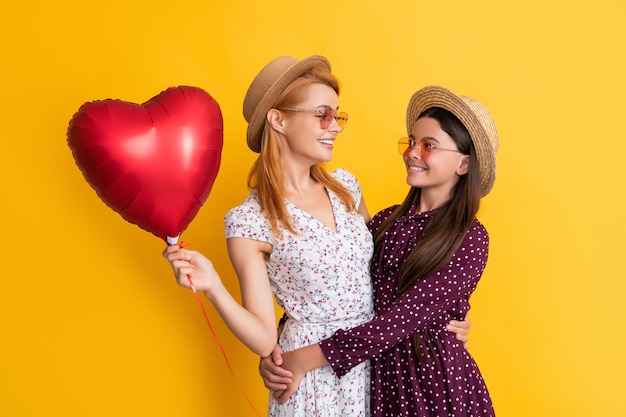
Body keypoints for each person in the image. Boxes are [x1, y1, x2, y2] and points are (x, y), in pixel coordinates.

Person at [163, 56, 470, 417]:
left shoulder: (346, 190)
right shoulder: (250, 221)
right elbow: (264, 338)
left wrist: (444, 315)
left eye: (337, 116)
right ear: (278, 119)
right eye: (322, 115)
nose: (335, 127)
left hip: (375, 365)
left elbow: (382, 274)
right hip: (310, 378)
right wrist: (213, 285)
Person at [260, 85, 498, 417]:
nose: (413, 152)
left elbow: (398, 322)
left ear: (464, 164)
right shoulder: (385, 222)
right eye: (412, 141)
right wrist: (286, 335)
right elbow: (340, 280)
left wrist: (302, 358)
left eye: (429, 146)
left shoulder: (469, 237)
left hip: (431, 383)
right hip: (380, 378)